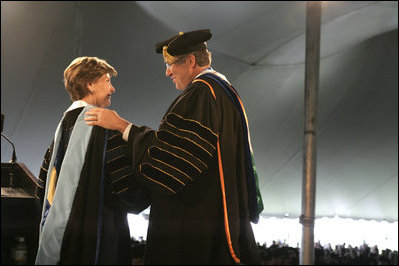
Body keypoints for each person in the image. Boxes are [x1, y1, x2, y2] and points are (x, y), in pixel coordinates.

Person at [85, 29, 264, 264]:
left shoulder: (201, 92)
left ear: (191, 61)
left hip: (197, 220)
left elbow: (170, 161)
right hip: (216, 213)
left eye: (171, 64)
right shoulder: (222, 90)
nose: (168, 72)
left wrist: (122, 126)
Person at [34, 56, 150, 265]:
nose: (112, 88)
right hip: (101, 238)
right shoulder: (104, 126)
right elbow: (128, 194)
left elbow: (42, 190)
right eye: (107, 80)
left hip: (63, 241)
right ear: (89, 84)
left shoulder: (61, 129)